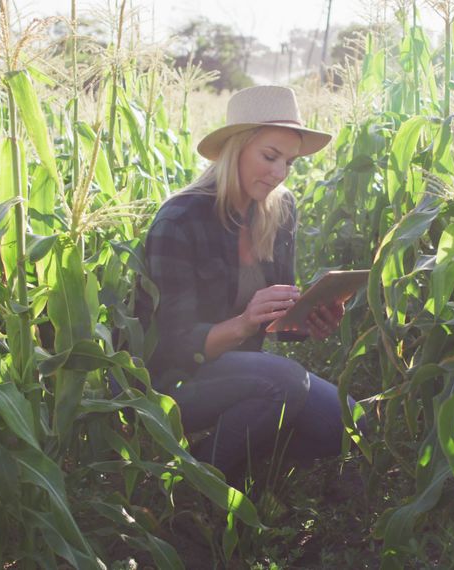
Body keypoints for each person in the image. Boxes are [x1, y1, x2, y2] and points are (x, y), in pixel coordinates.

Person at [135, 85, 363, 488]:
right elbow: (172, 344)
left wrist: (308, 320)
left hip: (246, 372)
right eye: (269, 157)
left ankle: (251, 462)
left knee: (352, 424)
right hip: (173, 381)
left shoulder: (279, 209)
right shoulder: (179, 220)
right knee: (287, 382)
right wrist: (243, 322)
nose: (279, 173)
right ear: (234, 149)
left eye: (289, 162)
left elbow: (277, 321)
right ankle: (196, 483)